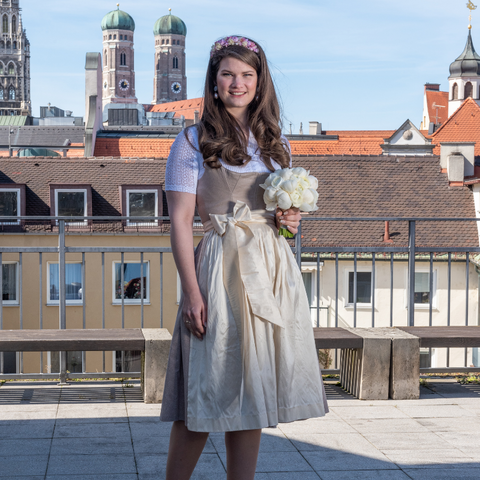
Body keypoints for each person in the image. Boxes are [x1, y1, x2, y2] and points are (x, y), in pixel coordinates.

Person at [160, 35, 328, 480]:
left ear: (260, 82)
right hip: (218, 269)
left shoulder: (275, 143)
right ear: (214, 82)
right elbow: (179, 222)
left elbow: (285, 228)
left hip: (269, 270)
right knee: (208, 383)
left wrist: (290, 218)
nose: (238, 83)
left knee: (252, 391)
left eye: (247, 75)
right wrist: (192, 292)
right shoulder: (192, 142)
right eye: (228, 74)